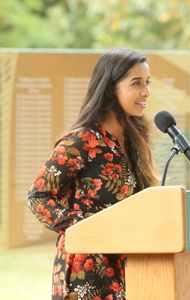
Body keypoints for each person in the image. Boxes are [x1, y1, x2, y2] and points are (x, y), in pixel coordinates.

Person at [27, 48, 159, 300]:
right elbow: (38, 196)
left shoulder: (133, 141)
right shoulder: (81, 141)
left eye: (147, 82)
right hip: (86, 270)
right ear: (110, 89)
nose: (146, 92)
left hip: (128, 264)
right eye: (137, 83)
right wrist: (83, 226)